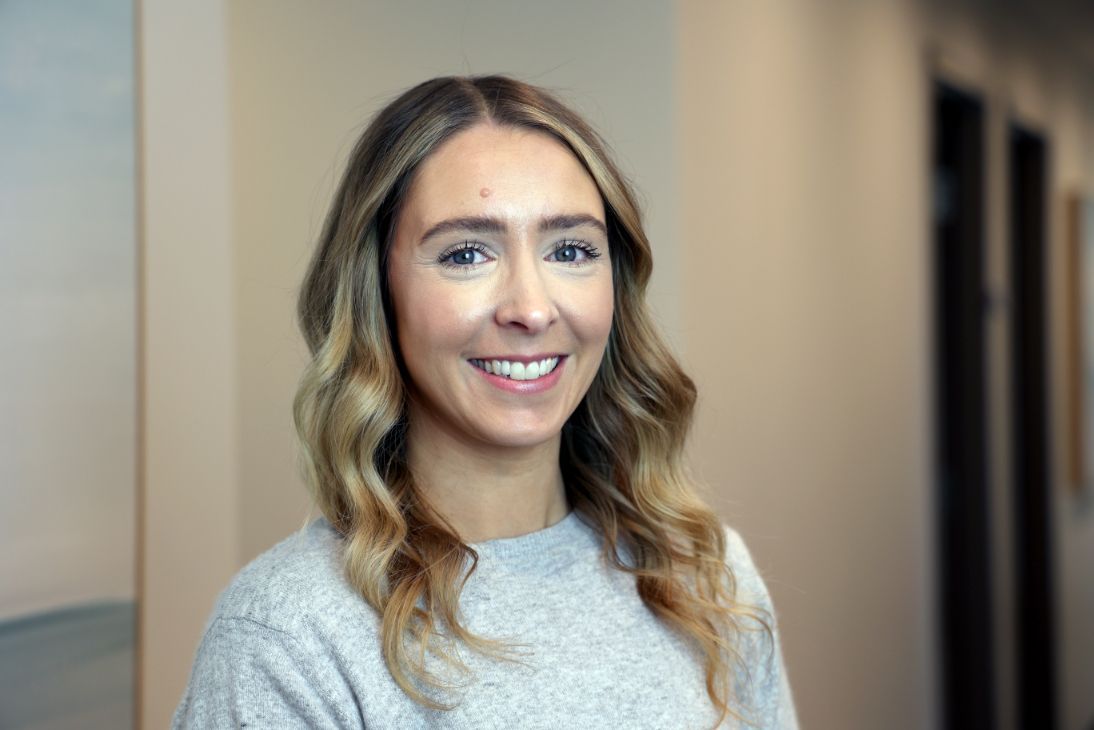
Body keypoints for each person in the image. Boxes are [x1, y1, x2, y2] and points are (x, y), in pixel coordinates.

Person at [172, 75, 798, 729]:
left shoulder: (703, 574)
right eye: (467, 253)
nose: (530, 307)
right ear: (376, 294)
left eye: (571, 249)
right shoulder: (288, 636)